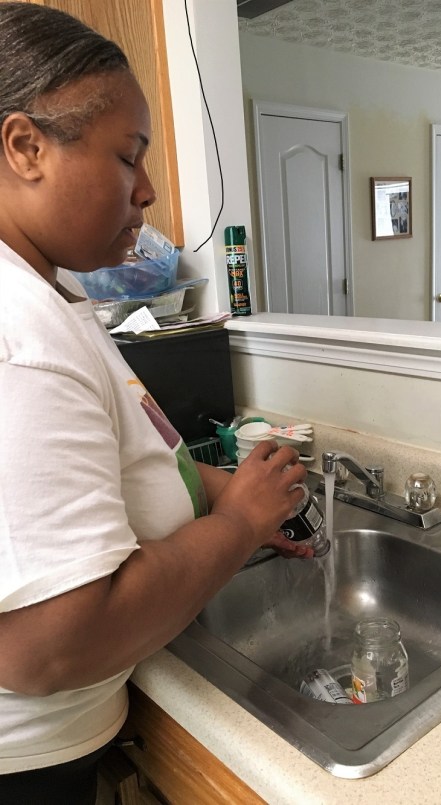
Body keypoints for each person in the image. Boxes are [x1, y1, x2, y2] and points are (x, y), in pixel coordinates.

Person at [0, 4, 310, 802]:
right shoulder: (21, 341)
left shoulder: (51, 297)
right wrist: (236, 526)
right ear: (25, 147)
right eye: (126, 157)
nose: (147, 191)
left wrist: (239, 498)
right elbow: (53, 646)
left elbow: (123, 465)